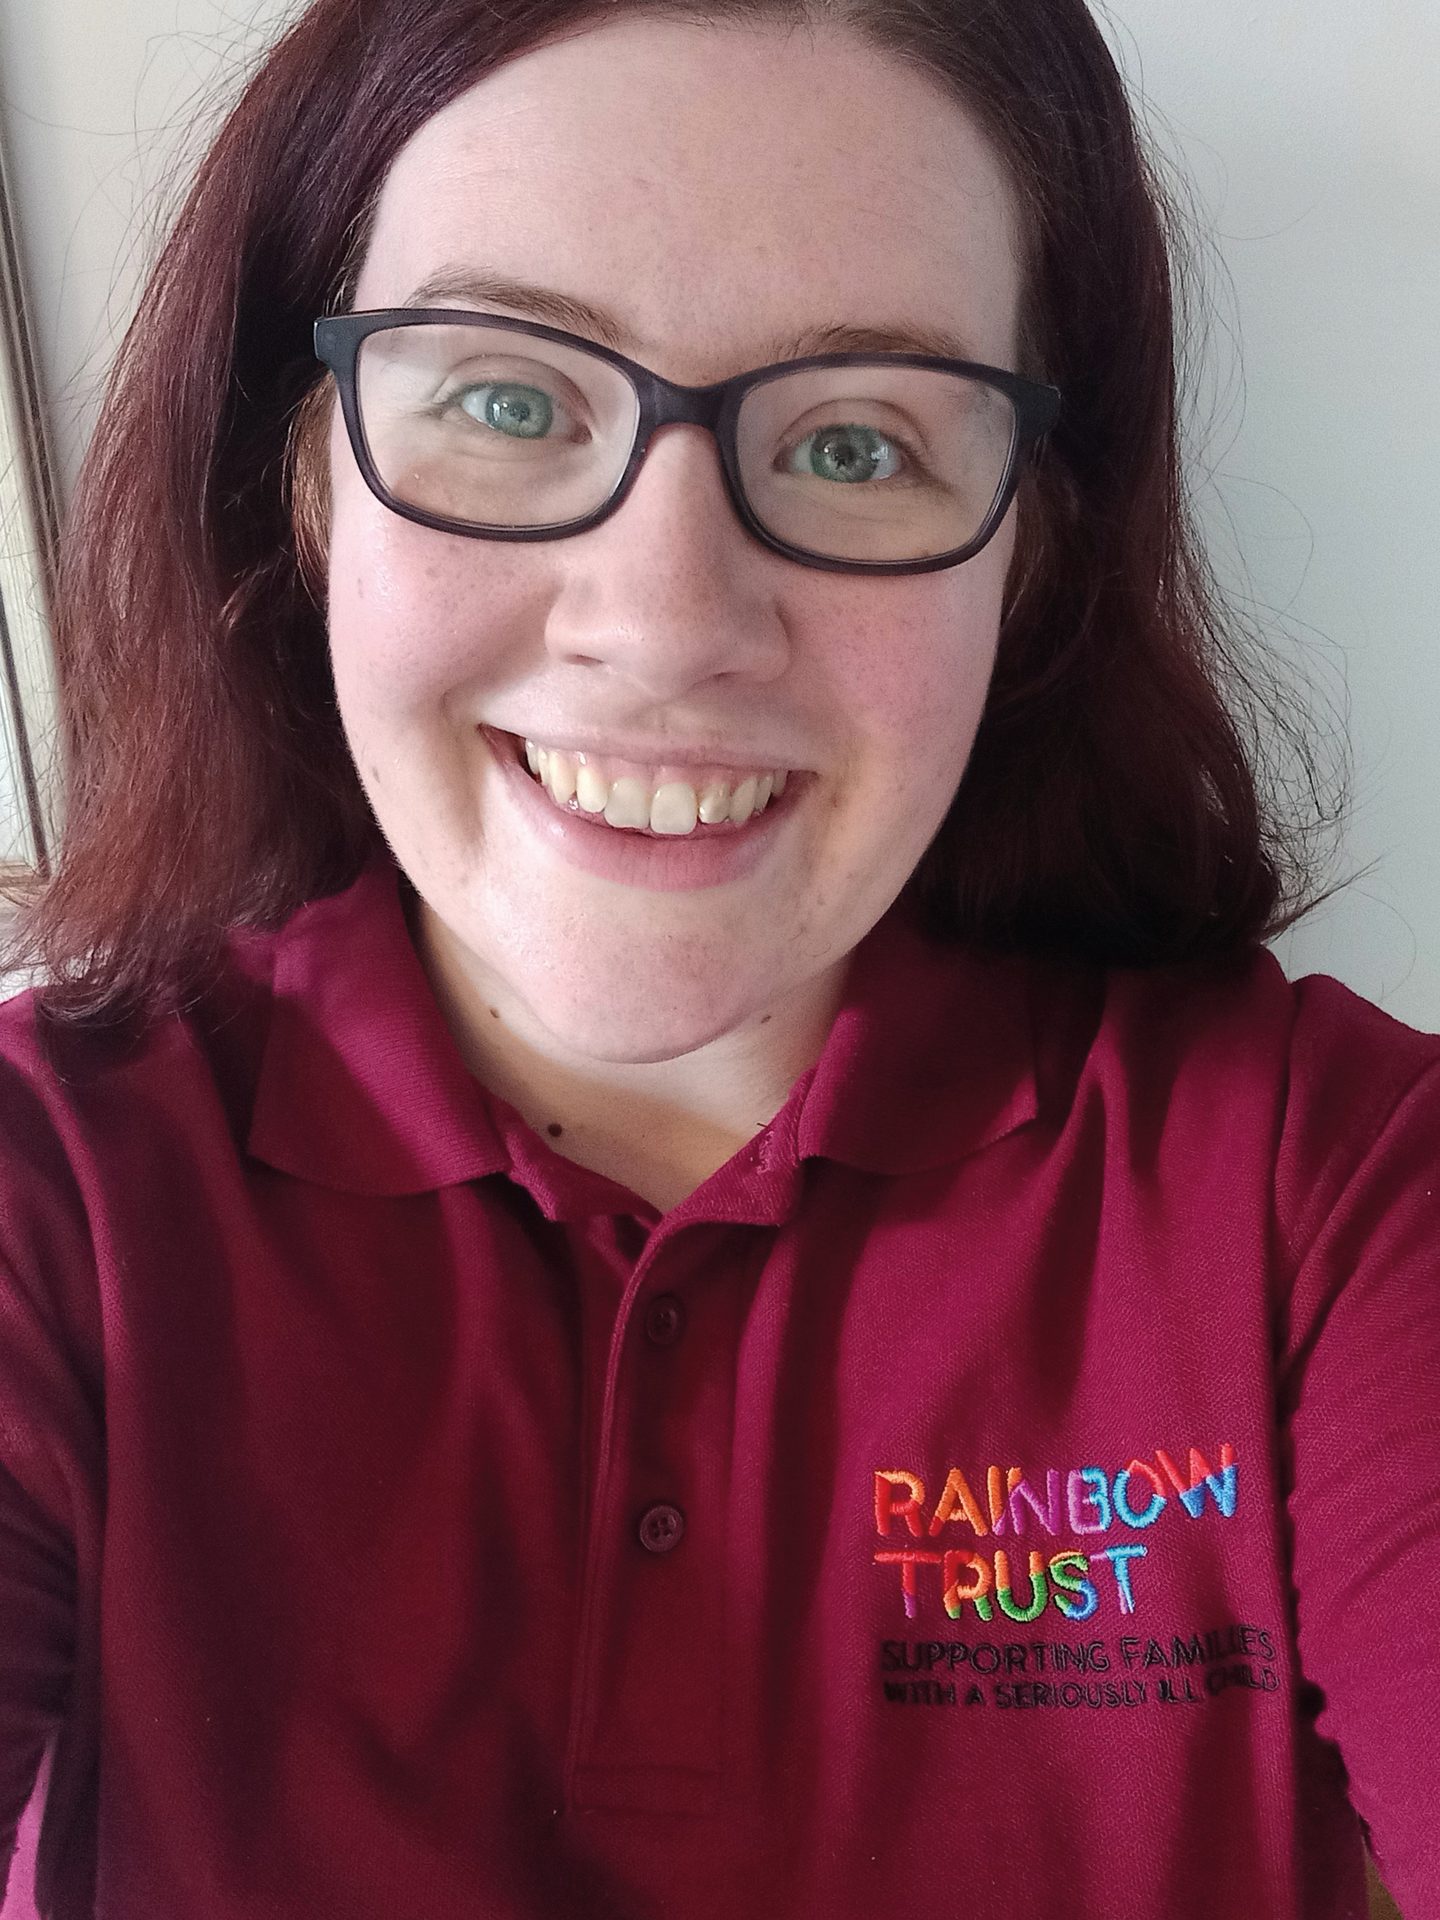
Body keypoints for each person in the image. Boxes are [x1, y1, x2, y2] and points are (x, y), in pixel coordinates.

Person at [0, 0, 1435, 1914]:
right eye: (508, 398)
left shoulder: (1327, 1195)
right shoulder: (49, 1206)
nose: (669, 626)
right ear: (306, 476)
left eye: (856, 441)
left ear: (1036, 555)